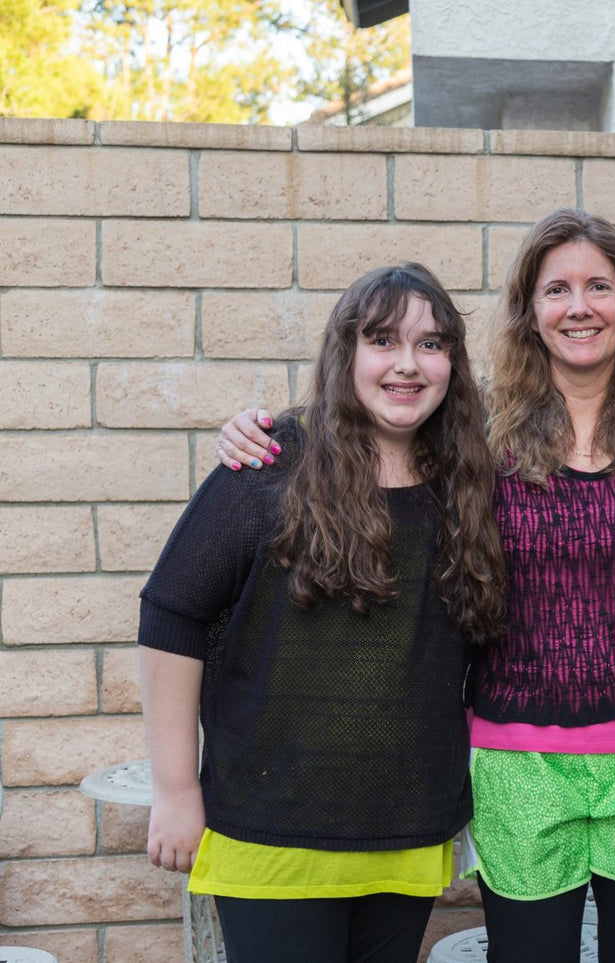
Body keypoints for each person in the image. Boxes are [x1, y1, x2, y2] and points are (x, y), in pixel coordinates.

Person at [215, 209, 615, 963]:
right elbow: (369, 418)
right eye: (556, 289)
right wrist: (269, 432)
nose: (578, 306)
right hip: (515, 754)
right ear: (529, 311)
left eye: (599, 286)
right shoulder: (480, 428)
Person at [141, 263, 506, 963]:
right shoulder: (271, 466)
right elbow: (171, 614)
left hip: (406, 830)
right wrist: (175, 786)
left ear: (452, 363)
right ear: (346, 353)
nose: (407, 363)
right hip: (272, 831)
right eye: (382, 340)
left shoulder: (469, 485)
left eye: (431, 344)